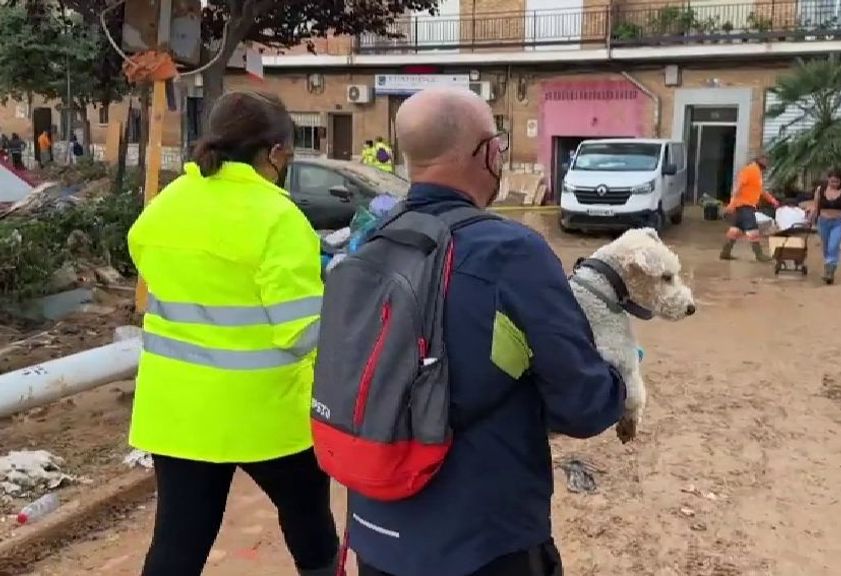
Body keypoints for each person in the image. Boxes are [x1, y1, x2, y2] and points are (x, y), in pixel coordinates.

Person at [348, 87, 625, 576]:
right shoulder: (511, 252)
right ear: (489, 153)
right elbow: (584, 407)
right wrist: (621, 375)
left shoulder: (372, 239)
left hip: (376, 533)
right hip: (482, 543)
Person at [127, 90, 340, 576]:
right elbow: (305, 332)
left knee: (177, 547)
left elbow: (144, 254)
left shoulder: (168, 203)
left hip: (178, 415)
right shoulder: (278, 217)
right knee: (312, 532)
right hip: (267, 418)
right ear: (274, 153)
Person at [720, 154, 779, 262]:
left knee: (735, 230)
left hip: (744, 206)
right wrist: (732, 204)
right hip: (744, 206)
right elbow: (738, 187)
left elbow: (760, 190)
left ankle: (725, 252)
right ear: (760, 160)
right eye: (766, 160)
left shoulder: (757, 173)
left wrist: (772, 200)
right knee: (753, 229)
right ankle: (759, 255)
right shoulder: (750, 170)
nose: (767, 163)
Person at [807, 167, 841, 285]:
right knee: (826, 248)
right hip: (823, 221)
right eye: (831, 181)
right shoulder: (820, 189)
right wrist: (811, 217)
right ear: (828, 180)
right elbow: (816, 205)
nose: (833, 184)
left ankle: (830, 274)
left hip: (839, 221)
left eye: (836, 182)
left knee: (834, 246)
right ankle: (828, 268)